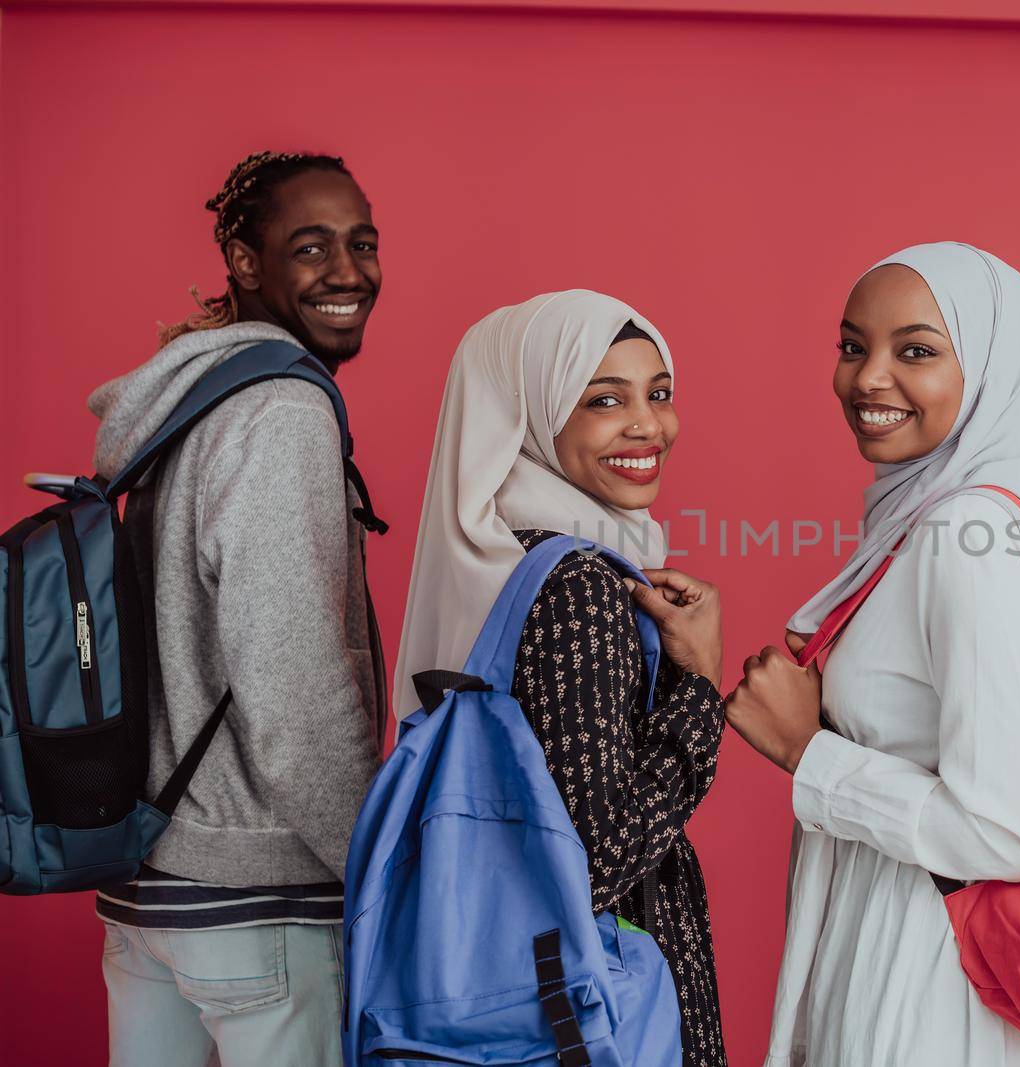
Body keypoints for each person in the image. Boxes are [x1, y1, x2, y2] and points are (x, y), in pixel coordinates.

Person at [728, 242, 1020, 1066]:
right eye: (851, 346)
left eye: (916, 350)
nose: (868, 378)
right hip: (925, 947)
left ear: (991, 370)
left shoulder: (965, 533)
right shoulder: (942, 519)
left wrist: (807, 749)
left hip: (936, 975)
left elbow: (1002, 831)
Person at [90, 151, 386, 1066]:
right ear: (244, 261)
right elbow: (292, 690)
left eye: (362, 242)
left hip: (148, 888)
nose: (349, 272)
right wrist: (379, 872)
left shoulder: (182, 401)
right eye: (311, 246)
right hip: (259, 904)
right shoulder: (279, 409)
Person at [391, 291, 728, 1065]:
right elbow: (599, 858)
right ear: (531, 414)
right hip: (598, 1003)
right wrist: (700, 689)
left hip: (489, 985)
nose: (647, 424)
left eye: (659, 392)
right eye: (604, 399)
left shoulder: (491, 561)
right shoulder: (577, 584)